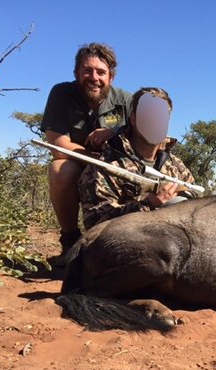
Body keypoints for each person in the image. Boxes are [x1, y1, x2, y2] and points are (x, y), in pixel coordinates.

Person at [41, 42, 132, 264]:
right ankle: (70, 242)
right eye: (87, 71)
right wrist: (97, 160)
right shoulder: (61, 93)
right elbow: (58, 145)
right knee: (60, 169)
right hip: (81, 164)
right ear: (76, 73)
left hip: (117, 172)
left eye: (101, 72)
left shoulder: (126, 100)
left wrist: (112, 131)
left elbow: (140, 140)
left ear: (111, 76)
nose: (94, 77)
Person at [79, 87, 198, 230]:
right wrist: (149, 204)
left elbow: (196, 202)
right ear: (133, 119)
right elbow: (95, 224)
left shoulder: (176, 165)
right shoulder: (105, 166)